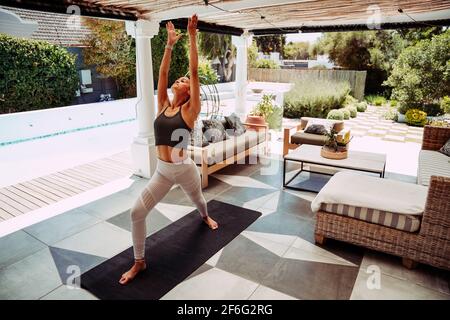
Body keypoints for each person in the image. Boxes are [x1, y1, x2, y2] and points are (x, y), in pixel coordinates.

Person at [119, 14, 218, 285]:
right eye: (180, 78)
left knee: (198, 200)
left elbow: (195, 72)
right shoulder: (163, 103)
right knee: (136, 213)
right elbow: (162, 73)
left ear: (189, 91)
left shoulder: (190, 110)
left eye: (184, 80)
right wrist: (169, 44)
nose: (180, 78)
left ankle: (206, 217)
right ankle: (139, 262)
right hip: (162, 171)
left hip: (184, 168)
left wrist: (193, 36)